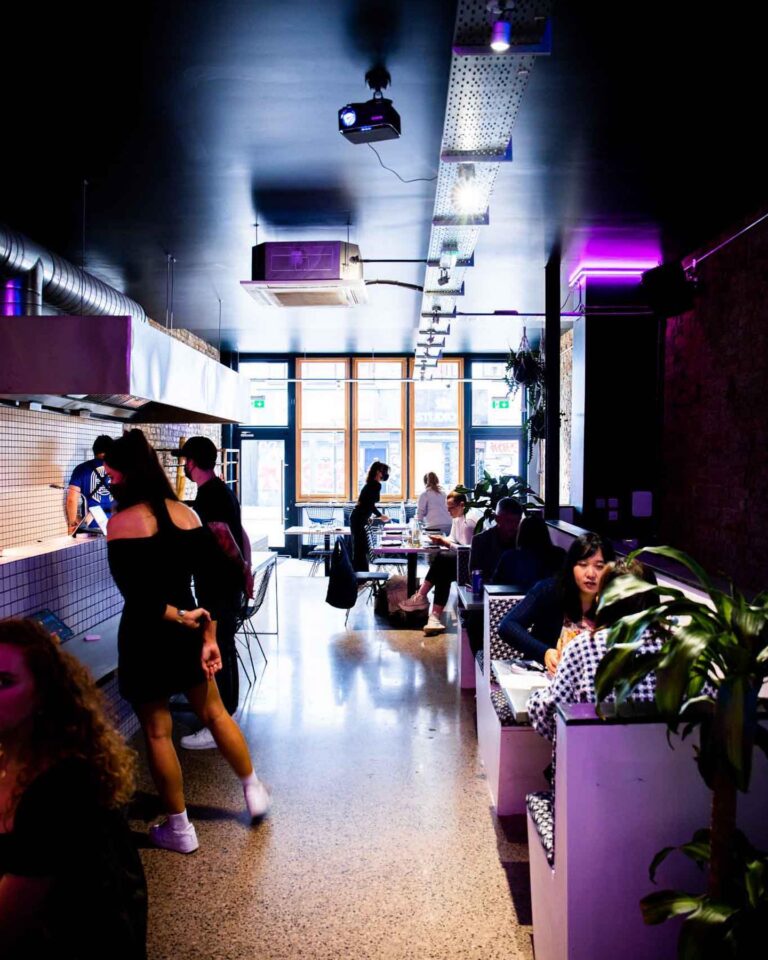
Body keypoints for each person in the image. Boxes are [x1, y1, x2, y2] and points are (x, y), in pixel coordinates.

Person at [104, 429, 269, 854]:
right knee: (215, 713)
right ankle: (253, 790)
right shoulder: (187, 514)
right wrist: (207, 631)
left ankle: (180, 829)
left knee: (158, 732)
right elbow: (215, 574)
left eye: (112, 473)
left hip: (145, 635)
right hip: (192, 628)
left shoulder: (120, 523)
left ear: (125, 473)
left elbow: (139, 599)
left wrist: (181, 616)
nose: (110, 480)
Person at [0, 618, 147, 959]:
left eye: (4, 682)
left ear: (42, 692)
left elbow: (8, 924)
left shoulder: (62, 787)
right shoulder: (14, 752)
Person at [527, 559, 662, 744]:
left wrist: (533, 699)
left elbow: (552, 714)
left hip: (592, 757)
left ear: (602, 599)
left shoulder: (584, 646)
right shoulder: (678, 649)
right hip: (666, 759)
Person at [175, 436, 250, 750]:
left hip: (218, 584)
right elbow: (240, 533)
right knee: (225, 647)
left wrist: (241, 568)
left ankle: (221, 723)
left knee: (219, 647)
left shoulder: (209, 495)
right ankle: (226, 715)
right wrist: (245, 569)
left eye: (185, 461)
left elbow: (223, 536)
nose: (184, 466)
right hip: (227, 582)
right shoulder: (222, 490)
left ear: (192, 462)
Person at [497, 532, 615, 673]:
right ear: (571, 567)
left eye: (599, 566)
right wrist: (545, 652)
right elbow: (508, 626)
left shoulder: (615, 600)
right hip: (545, 675)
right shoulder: (549, 590)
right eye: (583, 565)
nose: (590, 574)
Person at [398, 490, 478, 635]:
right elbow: (453, 539)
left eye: (451, 508)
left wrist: (445, 543)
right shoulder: (458, 518)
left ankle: (422, 598)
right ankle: (433, 617)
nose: (448, 512)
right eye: (447, 508)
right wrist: (439, 540)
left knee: (442, 559)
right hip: (459, 561)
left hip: (470, 565)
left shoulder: (469, 522)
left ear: (462, 505)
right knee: (443, 570)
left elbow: (466, 551)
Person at [493, 514, 566, 590]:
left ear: (521, 534)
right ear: (545, 532)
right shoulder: (559, 554)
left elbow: (495, 585)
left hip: (515, 596)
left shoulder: (509, 557)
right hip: (551, 597)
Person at [468, 497, 524, 584]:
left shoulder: (523, 541)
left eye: (517, 522)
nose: (514, 526)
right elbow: (475, 575)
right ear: (497, 519)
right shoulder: (481, 541)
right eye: (509, 521)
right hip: (489, 589)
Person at [66, 434, 115, 533]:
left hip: (90, 527)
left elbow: (72, 499)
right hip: (115, 525)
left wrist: (72, 524)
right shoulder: (119, 468)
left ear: (94, 450)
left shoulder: (81, 469)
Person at [349, 461, 391, 572]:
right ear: (378, 472)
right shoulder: (375, 485)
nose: (385, 473)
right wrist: (380, 515)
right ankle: (361, 576)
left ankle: (360, 575)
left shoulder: (371, 484)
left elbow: (365, 503)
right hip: (358, 518)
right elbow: (369, 504)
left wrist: (368, 516)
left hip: (358, 517)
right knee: (361, 548)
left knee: (360, 548)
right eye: (383, 471)